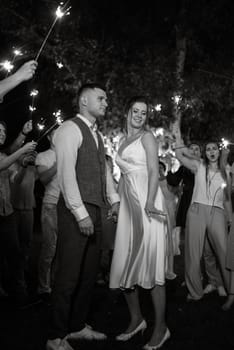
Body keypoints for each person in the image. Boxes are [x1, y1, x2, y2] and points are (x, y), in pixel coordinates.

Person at [46, 83, 120, 350]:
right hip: (76, 212)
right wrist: (80, 214)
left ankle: (77, 326)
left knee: (88, 275)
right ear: (84, 101)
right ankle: (55, 337)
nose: (105, 103)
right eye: (101, 98)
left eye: (106, 99)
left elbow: (104, 174)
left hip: (96, 210)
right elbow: (66, 175)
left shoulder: (98, 136)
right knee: (68, 276)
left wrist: (114, 200)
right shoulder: (69, 129)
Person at [110, 96, 170, 350]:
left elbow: (154, 171)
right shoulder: (122, 140)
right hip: (128, 204)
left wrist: (148, 201)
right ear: (128, 112)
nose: (139, 115)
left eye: (143, 113)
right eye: (135, 111)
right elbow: (124, 174)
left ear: (147, 117)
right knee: (125, 262)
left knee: (152, 266)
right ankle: (136, 320)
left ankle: (161, 327)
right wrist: (118, 203)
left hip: (148, 203)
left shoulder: (148, 138)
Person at [174, 130, 233, 305]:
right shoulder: (199, 166)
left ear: (219, 150)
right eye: (208, 149)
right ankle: (195, 292)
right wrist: (178, 135)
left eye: (214, 148)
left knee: (223, 252)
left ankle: (230, 289)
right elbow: (179, 153)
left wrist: (229, 216)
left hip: (218, 212)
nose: (211, 151)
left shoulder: (227, 170)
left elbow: (228, 196)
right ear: (205, 153)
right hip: (197, 210)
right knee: (193, 253)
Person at [0, 120, 37, 303]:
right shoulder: (4, 158)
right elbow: (3, 164)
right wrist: (23, 150)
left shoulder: (3, 153)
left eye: (3, 131)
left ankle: (20, 294)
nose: (1, 134)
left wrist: (23, 132)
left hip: (7, 213)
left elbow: (10, 153)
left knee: (14, 254)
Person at [36, 128, 60, 301]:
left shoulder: (71, 154)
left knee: (63, 249)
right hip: (50, 205)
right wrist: (60, 163)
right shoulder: (43, 156)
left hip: (67, 207)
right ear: (51, 136)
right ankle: (43, 287)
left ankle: (57, 283)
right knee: (49, 248)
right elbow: (44, 179)